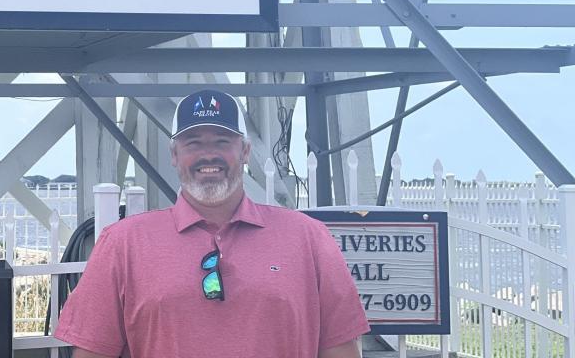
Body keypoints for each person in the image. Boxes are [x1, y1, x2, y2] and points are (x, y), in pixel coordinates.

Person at [54, 89, 370, 358]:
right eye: (193, 143)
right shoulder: (122, 244)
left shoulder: (308, 237)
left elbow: (340, 349)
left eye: (222, 141)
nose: (209, 155)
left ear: (245, 151)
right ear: (174, 154)